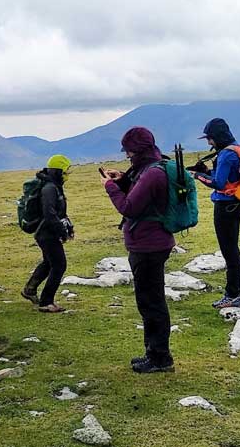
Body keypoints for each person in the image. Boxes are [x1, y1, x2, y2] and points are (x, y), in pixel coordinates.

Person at [101, 126, 175, 373]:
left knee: (151, 302)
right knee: (150, 300)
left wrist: (109, 187)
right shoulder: (152, 167)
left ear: (137, 149)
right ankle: (153, 353)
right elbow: (141, 197)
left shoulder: (152, 173)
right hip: (152, 242)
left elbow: (130, 207)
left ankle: (160, 358)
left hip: (148, 245)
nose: (128, 155)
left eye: (129, 151)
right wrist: (121, 180)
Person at [192, 118, 240, 309]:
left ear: (218, 137)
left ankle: (233, 294)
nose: (209, 143)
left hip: (225, 206)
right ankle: (237, 291)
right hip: (237, 203)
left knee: (228, 250)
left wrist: (198, 176)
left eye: (210, 138)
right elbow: (226, 178)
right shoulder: (236, 149)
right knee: (233, 248)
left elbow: (218, 184)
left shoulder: (225, 155)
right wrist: (206, 171)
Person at [22, 154, 74, 313]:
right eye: (65, 171)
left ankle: (29, 289)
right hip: (46, 233)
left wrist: (68, 227)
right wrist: (62, 232)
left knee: (48, 262)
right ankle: (46, 301)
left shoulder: (52, 186)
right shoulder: (50, 188)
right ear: (58, 171)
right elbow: (50, 214)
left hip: (45, 232)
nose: (67, 175)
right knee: (59, 265)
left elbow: (58, 212)